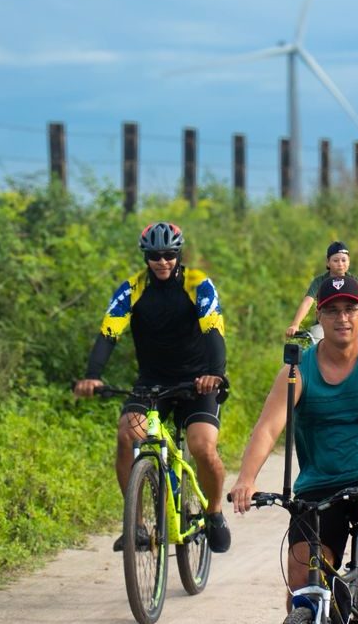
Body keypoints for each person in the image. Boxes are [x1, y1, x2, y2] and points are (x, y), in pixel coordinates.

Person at [230, 276, 358, 624]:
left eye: (350, 309)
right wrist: (246, 479)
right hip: (321, 483)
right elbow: (267, 428)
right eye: (333, 311)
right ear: (320, 318)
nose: (342, 318)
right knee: (301, 583)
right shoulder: (298, 371)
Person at [73, 222, 231, 553]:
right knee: (127, 434)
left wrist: (215, 373)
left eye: (169, 255)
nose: (162, 262)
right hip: (152, 382)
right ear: (146, 257)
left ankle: (214, 511)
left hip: (197, 381)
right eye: (155, 256)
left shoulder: (197, 283)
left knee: (202, 447)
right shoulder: (132, 289)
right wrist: (93, 375)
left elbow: (213, 330)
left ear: (178, 254)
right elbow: (108, 334)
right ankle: (138, 525)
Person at [286, 241, 358, 338]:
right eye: (336, 261)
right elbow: (307, 303)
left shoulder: (354, 281)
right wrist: (295, 324)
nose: (340, 264)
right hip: (323, 326)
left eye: (343, 260)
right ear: (328, 262)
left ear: (349, 261)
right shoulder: (319, 281)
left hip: (347, 323)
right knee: (318, 342)